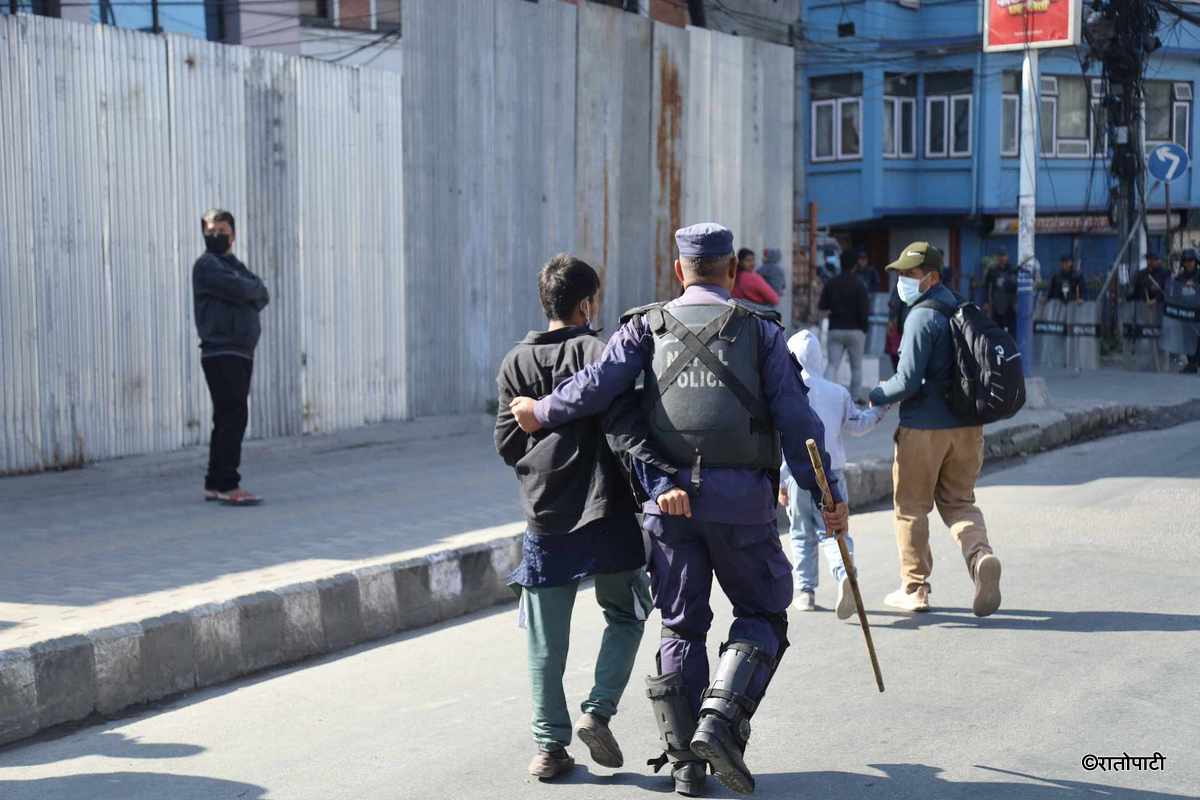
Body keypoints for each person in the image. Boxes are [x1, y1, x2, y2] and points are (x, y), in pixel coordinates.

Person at [509, 223, 847, 797]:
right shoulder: (761, 333)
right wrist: (830, 498)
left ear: (677, 270)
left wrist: (542, 411)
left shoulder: (644, 325)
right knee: (763, 614)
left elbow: (597, 384)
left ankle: (686, 763)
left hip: (669, 507)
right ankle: (719, 722)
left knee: (681, 625)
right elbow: (800, 426)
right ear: (732, 272)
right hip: (743, 506)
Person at [494, 254, 657, 781]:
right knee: (629, 612)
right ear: (587, 303)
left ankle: (548, 747)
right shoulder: (603, 352)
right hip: (607, 509)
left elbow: (505, 442)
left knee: (545, 640)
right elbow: (624, 430)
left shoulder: (514, 362)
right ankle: (598, 710)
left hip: (546, 514)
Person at [867, 242, 1002, 617]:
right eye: (900, 275)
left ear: (932, 277)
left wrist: (876, 394)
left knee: (911, 508)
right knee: (960, 503)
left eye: (909, 275)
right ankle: (981, 557)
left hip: (924, 430)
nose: (903, 281)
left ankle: (914, 588)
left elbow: (907, 381)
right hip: (968, 428)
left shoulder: (921, 317)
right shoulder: (961, 307)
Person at [778, 330, 888, 615]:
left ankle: (805, 592)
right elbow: (858, 425)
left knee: (801, 533)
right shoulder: (837, 392)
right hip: (833, 474)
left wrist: (780, 482)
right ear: (820, 359)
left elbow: (778, 442)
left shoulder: (783, 392)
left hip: (796, 474)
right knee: (834, 530)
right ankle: (844, 574)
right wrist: (880, 409)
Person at [193, 208, 269, 506]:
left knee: (226, 416)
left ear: (233, 236)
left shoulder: (235, 265)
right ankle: (228, 483)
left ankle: (214, 482)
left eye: (221, 231)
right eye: (210, 232)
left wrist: (249, 290)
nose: (215, 237)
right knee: (233, 415)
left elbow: (262, 292)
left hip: (240, 351)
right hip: (221, 350)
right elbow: (243, 288)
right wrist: (248, 290)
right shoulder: (207, 266)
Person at [819, 252, 870, 402]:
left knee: (832, 364)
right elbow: (864, 310)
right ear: (855, 265)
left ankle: (826, 396)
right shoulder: (860, 284)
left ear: (840, 263)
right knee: (856, 367)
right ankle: (854, 398)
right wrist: (864, 328)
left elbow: (822, 305)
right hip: (856, 330)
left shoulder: (831, 283)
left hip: (835, 328)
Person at [1165, 249, 1200, 373]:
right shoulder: (1180, 277)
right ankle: (1192, 363)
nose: (1188, 263)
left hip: (1198, 312)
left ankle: (1195, 363)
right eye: (1186, 261)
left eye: (1191, 260)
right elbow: (1174, 293)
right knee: (1187, 338)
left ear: (1196, 261)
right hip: (1185, 313)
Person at [984, 249, 1018, 337]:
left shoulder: (1012, 270)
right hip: (997, 303)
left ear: (1007, 257)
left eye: (1004, 256)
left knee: (1011, 329)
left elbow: (1016, 287)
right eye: (1000, 256)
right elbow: (987, 287)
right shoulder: (992, 271)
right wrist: (987, 302)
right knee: (997, 328)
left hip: (1010, 304)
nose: (1002, 258)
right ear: (997, 257)